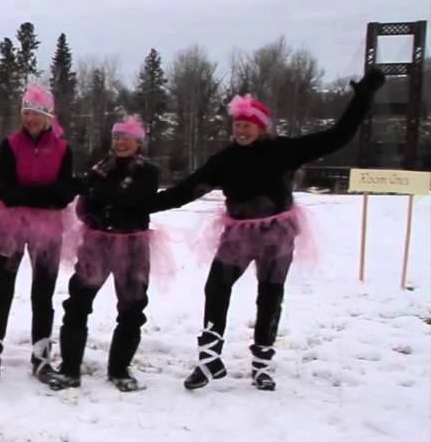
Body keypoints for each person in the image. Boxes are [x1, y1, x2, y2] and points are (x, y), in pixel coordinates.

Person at [150, 68, 385, 391]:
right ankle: (209, 359)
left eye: (248, 125)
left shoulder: (285, 150)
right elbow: (185, 191)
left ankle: (261, 363)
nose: (242, 131)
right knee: (216, 288)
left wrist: (363, 97)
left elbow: (338, 136)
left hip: (277, 235)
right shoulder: (225, 159)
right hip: (237, 236)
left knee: (270, 295)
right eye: (237, 125)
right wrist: (139, 206)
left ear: (262, 127)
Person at [0, 83, 76, 384]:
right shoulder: (10, 145)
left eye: (35, 113)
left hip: (48, 227)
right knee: (1, 291)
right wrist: (44, 196)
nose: (29, 119)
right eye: (26, 113)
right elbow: (7, 191)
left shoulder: (63, 149)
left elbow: (64, 193)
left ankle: (41, 359)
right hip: (10, 224)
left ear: (48, 117)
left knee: (43, 293)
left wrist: (35, 196)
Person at [46, 115, 162, 392]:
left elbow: (134, 200)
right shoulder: (98, 169)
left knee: (132, 307)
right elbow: (83, 201)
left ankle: (120, 369)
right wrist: (89, 211)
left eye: (127, 138)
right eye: (117, 137)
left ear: (138, 142)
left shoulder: (148, 171)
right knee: (77, 303)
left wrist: (106, 204)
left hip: (132, 244)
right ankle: (70, 369)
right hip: (97, 243)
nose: (120, 143)